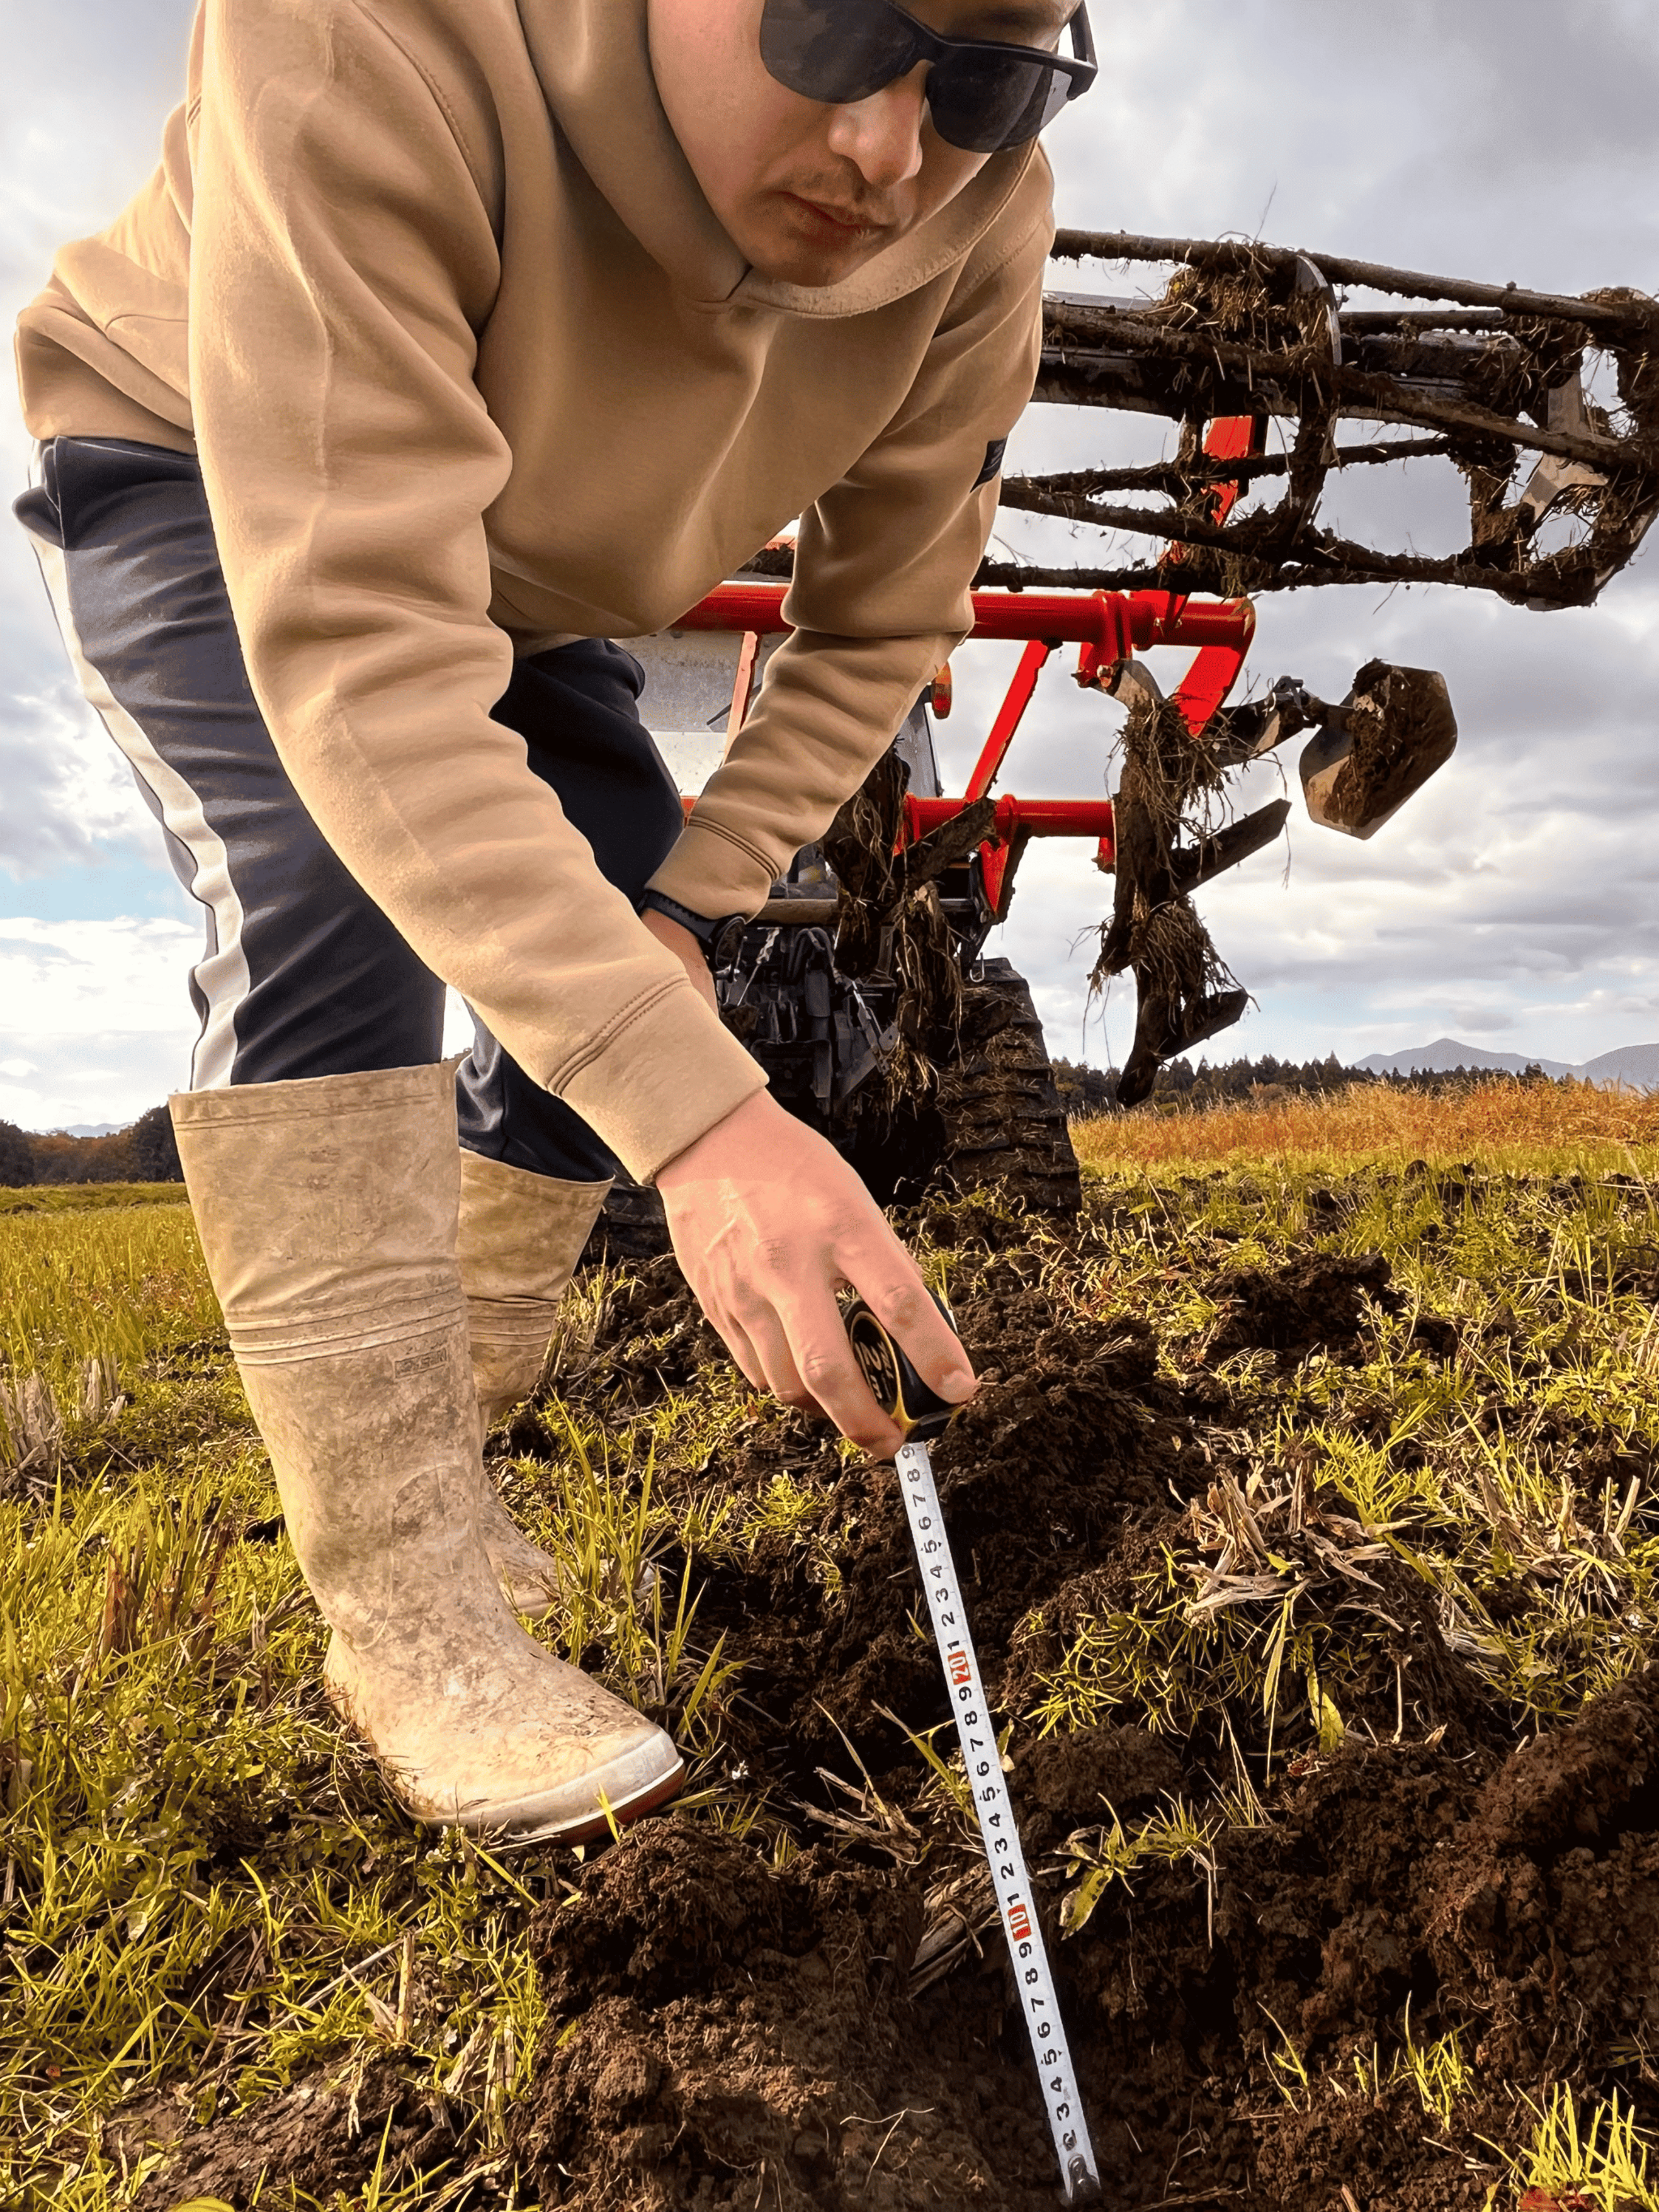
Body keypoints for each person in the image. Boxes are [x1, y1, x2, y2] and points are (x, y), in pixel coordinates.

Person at [12, 0, 1094, 1843]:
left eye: (988, 77)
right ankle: (402, 1608)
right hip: (209, 462)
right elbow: (365, 649)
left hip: (520, 560)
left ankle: (460, 1442)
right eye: (842, 24)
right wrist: (699, 1119)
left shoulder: (978, 216)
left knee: (607, 894)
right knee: (327, 887)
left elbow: (880, 622)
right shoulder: (362, 34)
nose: (891, 152)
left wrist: (685, 909)